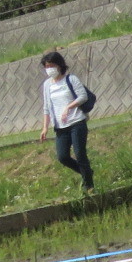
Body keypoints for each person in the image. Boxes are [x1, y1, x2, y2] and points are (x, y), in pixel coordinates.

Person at [37, 51, 96, 194]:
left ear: (59, 65)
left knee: (80, 154)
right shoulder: (47, 85)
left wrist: (68, 107)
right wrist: (45, 127)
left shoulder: (71, 79)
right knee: (63, 157)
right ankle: (87, 172)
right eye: (46, 66)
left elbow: (82, 97)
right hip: (60, 127)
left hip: (77, 122)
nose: (49, 69)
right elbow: (47, 107)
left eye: (51, 65)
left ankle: (89, 187)